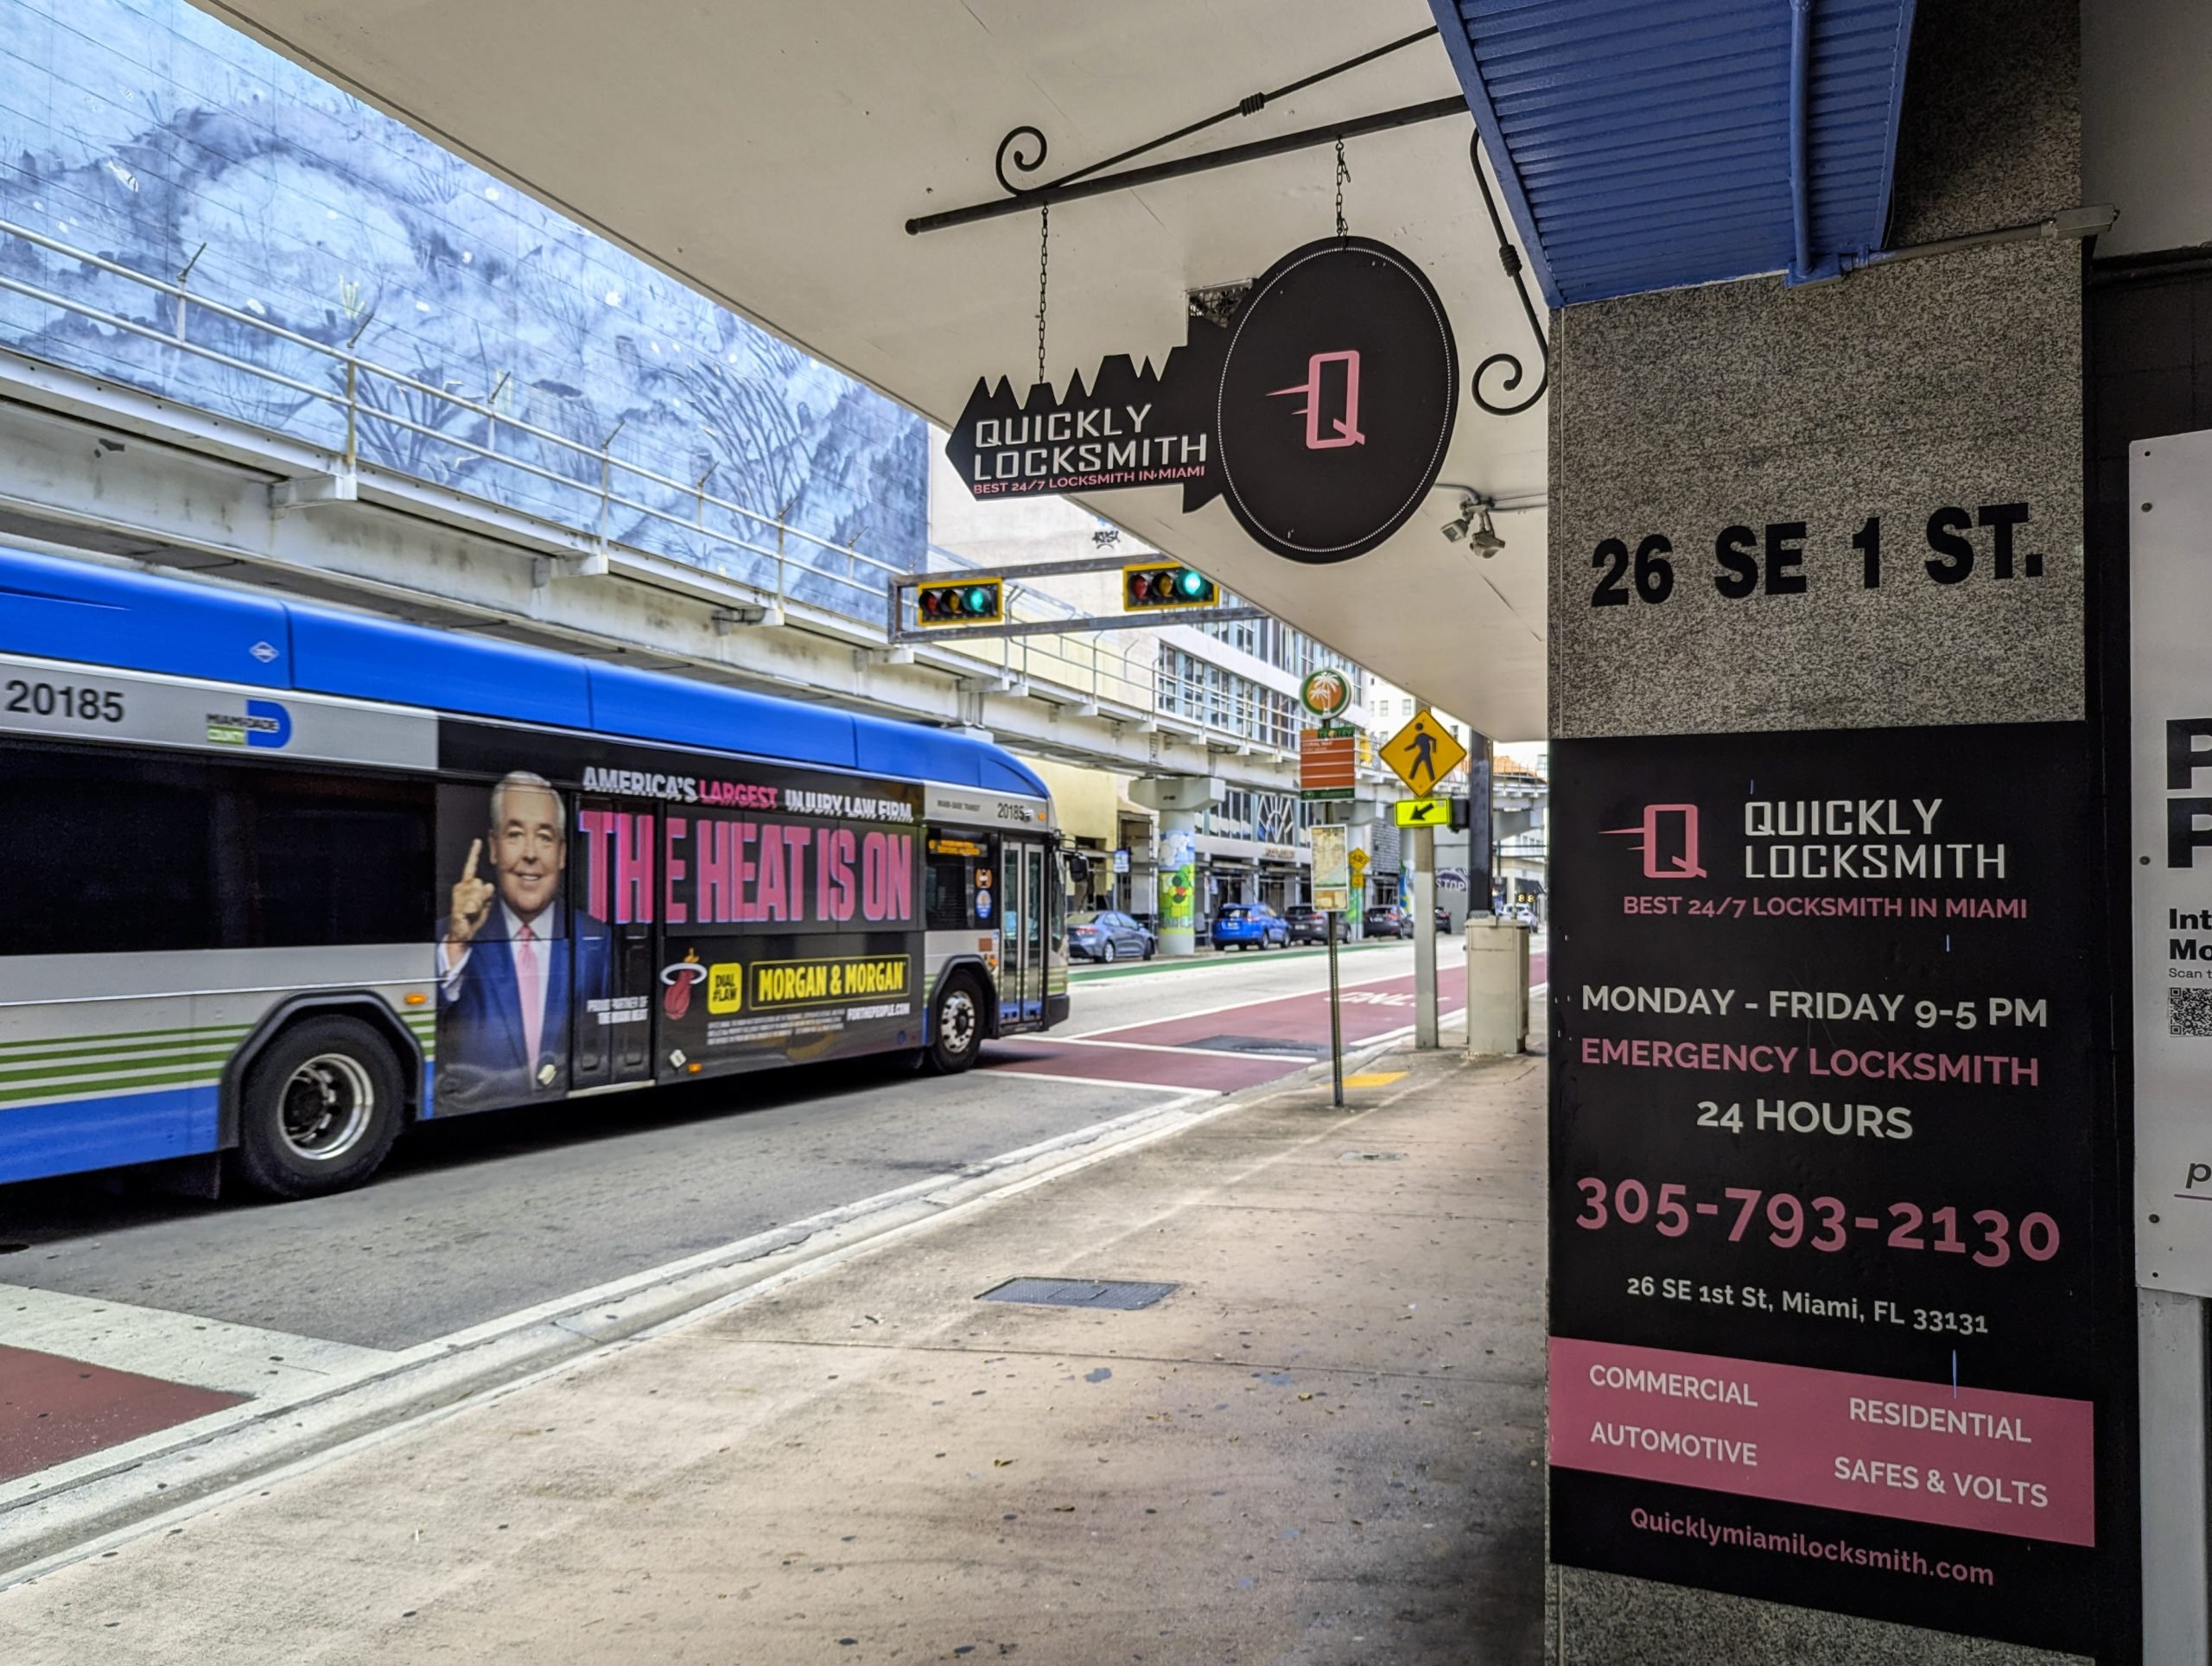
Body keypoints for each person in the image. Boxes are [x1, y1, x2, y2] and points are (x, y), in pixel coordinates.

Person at [435, 771, 613, 1108]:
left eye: (544, 837)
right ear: (494, 847)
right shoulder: (449, 937)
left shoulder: (597, 939)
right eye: (515, 834)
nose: (530, 854)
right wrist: (458, 943)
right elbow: (425, 1022)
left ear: (561, 854)